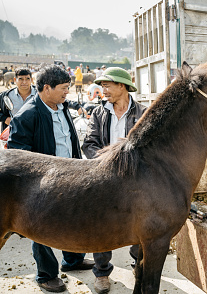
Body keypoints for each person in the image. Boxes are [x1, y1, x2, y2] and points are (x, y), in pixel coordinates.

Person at [7, 65, 94, 293]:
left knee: (73, 219)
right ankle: (46, 275)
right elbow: (17, 152)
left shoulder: (62, 107)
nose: (68, 93)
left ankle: (73, 260)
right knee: (42, 229)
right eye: (64, 89)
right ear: (47, 88)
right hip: (43, 184)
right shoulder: (28, 114)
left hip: (72, 176)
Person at [82, 67, 147, 294]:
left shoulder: (142, 114)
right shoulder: (99, 113)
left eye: (107, 85)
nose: (103, 90)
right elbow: (89, 144)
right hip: (105, 179)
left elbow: (149, 148)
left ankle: (138, 265)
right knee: (101, 227)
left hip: (134, 182)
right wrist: (107, 164)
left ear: (122, 86)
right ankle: (101, 273)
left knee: (139, 227)